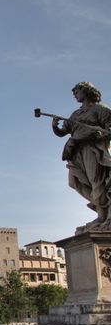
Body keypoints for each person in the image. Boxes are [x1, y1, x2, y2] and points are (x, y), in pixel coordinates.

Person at [51, 82, 111, 232]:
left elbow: (109, 129)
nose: (75, 94)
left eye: (77, 91)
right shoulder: (76, 114)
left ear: (87, 91)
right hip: (76, 151)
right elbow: (62, 132)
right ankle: (101, 208)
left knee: (96, 181)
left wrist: (99, 133)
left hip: (93, 149)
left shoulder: (101, 109)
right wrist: (54, 126)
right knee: (74, 182)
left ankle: (102, 216)